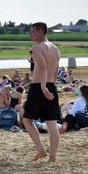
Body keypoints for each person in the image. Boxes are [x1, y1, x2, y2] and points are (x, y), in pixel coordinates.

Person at [22, 22, 61, 163]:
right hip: (51, 85)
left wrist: (43, 87)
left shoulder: (37, 47)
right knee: (52, 123)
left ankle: (41, 149)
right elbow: (55, 71)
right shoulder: (55, 49)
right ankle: (53, 156)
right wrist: (50, 86)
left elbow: (43, 67)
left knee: (27, 120)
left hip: (40, 86)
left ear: (40, 31)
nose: (30, 34)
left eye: (32, 31)